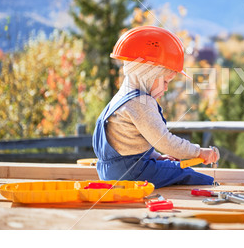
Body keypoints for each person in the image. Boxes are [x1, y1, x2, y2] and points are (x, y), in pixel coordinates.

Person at [92, 26, 218, 188]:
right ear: (148, 74)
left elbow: (128, 142)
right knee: (188, 174)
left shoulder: (121, 98)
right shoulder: (140, 102)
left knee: (173, 169)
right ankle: (214, 189)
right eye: (165, 81)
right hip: (133, 173)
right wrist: (199, 152)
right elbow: (165, 141)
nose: (165, 88)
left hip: (111, 172)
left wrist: (156, 157)